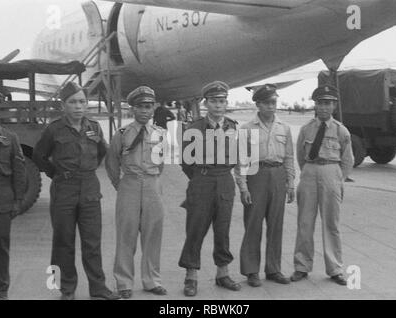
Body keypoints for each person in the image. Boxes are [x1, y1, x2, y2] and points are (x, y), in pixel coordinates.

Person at [33, 82, 119, 300]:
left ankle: (98, 287)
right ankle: (66, 289)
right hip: (64, 190)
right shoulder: (54, 129)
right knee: (63, 241)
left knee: (92, 242)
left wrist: (87, 171)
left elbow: (102, 152)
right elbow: (39, 156)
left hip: (89, 188)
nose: (79, 106)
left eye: (82, 101)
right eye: (73, 102)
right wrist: (57, 174)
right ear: (64, 105)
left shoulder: (94, 127)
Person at [179, 81, 241, 297]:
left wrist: (223, 175)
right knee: (196, 229)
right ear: (206, 103)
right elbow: (186, 161)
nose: (218, 105)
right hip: (202, 181)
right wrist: (201, 177)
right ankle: (191, 276)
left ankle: (222, 274)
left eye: (222, 101)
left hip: (225, 180)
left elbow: (235, 157)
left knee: (223, 231)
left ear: (226, 103)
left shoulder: (233, 127)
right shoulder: (194, 128)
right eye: (213, 101)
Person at [105, 86, 167, 299]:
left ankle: (152, 281)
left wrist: (154, 182)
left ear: (153, 109)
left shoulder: (160, 134)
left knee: (153, 235)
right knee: (126, 235)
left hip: (152, 185)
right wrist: (119, 184)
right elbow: (112, 162)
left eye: (148, 107)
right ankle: (124, 283)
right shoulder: (122, 134)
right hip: (129, 185)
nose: (144, 111)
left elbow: (161, 164)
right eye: (140, 106)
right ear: (133, 109)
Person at [291, 85, 354, 286]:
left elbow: (347, 159)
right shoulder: (306, 128)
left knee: (332, 224)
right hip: (310, 172)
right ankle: (301, 266)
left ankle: (335, 269)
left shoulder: (341, 130)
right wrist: (309, 171)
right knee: (304, 223)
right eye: (320, 103)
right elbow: (300, 156)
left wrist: (337, 179)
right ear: (315, 105)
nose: (324, 107)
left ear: (334, 106)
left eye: (328, 103)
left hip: (331, 173)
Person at [234, 84, 295, 287]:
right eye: (267, 103)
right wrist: (243, 188)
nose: (271, 106)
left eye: (274, 102)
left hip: (277, 175)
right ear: (258, 104)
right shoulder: (246, 129)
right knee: (253, 223)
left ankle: (273, 269)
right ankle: (251, 271)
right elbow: (241, 161)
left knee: (276, 225)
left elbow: (288, 157)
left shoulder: (283, 128)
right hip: (256, 174)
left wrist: (290, 183)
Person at [0, 86, 26, 300]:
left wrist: (18, 200)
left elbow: (19, 171)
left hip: (0, 199)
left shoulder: (10, 138)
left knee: (0, 246)